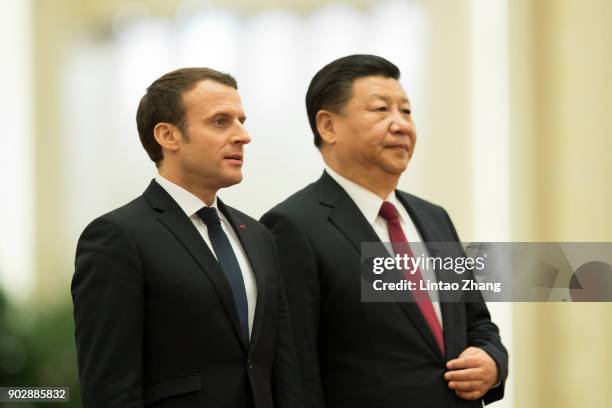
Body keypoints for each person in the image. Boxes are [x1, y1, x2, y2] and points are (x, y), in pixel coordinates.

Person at [261, 55, 508, 407]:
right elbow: (297, 368)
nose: (401, 125)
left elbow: (478, 323)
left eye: (406, 111)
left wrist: (492, 362)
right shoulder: (292, 226)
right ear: (328, 126)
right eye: (381, 110)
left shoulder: (433, 217)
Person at [72, 67, 301, 408]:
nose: (243, 135)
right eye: (221, 121)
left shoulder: (258, 235)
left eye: (241, 120)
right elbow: (111, 387)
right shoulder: (118, 237)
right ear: (168, 136)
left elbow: (282, 370)